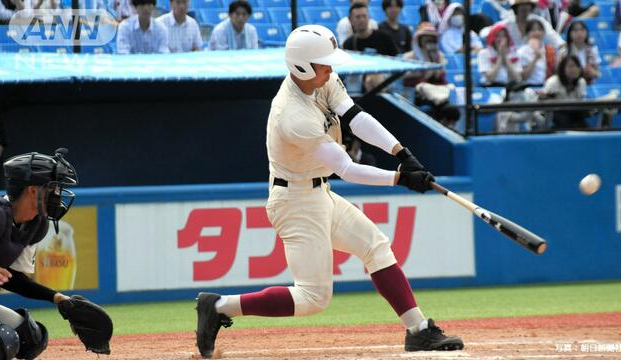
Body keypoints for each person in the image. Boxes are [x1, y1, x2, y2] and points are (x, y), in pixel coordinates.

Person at [194, 24, 465, 359]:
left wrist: (402, 153)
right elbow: (347, 169)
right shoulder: (292, 116)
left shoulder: (323, 80)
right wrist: (400, 179)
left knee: (376, 246)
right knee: (313, 298)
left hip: (318, 192)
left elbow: (355, 117)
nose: (331, 69)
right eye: (325, 64)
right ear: (303, 67)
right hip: (293, 202)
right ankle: (220, 306)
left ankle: (419, 331)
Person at [0, 149, 101, 360]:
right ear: (33, 191)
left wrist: (58, 298)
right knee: (1, 343)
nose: (58, 195)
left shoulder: (36, 226)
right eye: (53, 189)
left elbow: (12, 280)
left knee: (30, 338)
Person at [404, 22, 461, 128]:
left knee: (453, 111)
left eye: (431, 38)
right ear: (419, 39)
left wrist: (438, 72)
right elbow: (406, 82)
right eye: (425, 38)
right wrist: (424, 76)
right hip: (419, 97)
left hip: (439, 96)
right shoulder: (409, 57)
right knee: (427, 110)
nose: (428, 41)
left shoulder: (440, 56)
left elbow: (443, 80)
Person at [343, 3, 398, 92]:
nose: (362, 20)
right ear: (351, 20)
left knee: (374, 79)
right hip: (359, 77)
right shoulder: (348, 43)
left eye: (364, 16)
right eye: (357, 17)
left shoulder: (384, 37)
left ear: (369, 17)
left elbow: (396, 60)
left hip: (384, 74)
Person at [484, 0, 565, 50]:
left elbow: (556, 40)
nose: (525, 7)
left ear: (531, 7)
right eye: (521, 5)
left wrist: (562, 47)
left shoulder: (539, 22)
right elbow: (486, 32)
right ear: (515, 8)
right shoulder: (507, 24)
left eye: (527, 4)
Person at [539, 54, 589, 129]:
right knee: (564, 120)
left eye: (577, 66)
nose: (574, 69)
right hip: (553, 114)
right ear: (562, 68)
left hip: (574, 113)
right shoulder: (553, 82)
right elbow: (543, 101)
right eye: (571, 66)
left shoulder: (581, 82)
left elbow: (581, 102)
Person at [518, 19, 557, 86]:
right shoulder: (522, 51)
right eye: (533, 30)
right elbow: (523, 76)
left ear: (544, 33)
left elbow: (553, 73)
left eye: (539, 30)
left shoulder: (549, 50)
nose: (537, 33)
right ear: (527, 33)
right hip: (528, 87)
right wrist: (535, 59)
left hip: (545, 87)